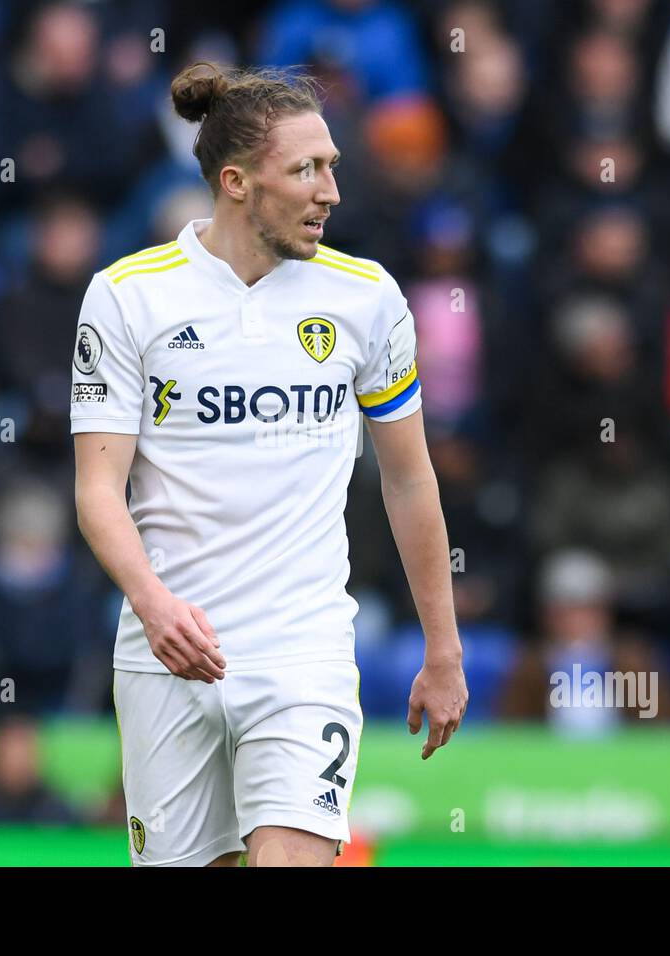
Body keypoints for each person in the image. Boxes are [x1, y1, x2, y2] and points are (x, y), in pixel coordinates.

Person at [71, 62, 467, 867]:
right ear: (237, 182)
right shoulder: (127, 298)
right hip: (168, 654)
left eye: (331, 167)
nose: (331, 192)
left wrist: (443, 646)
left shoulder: (365, 298)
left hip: (302, 650)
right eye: (306, 170)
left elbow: (409, 477)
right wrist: (153, 605)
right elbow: (96, 490)